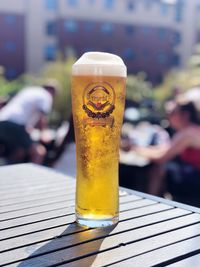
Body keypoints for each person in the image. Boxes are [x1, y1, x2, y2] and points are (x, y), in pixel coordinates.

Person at [132, 96, 200, 196]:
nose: (168, 116)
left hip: (195, 179)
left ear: (185, 115)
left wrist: (135, 148)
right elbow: (164, 149)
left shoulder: (188, 133)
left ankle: (150, 200)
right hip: (192, 175)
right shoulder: (188, 131)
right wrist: (138, 148)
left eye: (173, 112)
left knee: (160, 167)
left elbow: (161, 157)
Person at [0, 81, 58, 164]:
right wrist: (43, 134)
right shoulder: (46, 95)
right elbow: (42, 117)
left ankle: (9, 171)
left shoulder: (29, 90)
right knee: (39, 152)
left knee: (19, 151)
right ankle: (32, 176)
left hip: (2, 121)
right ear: (53, 92)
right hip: (15, 124)